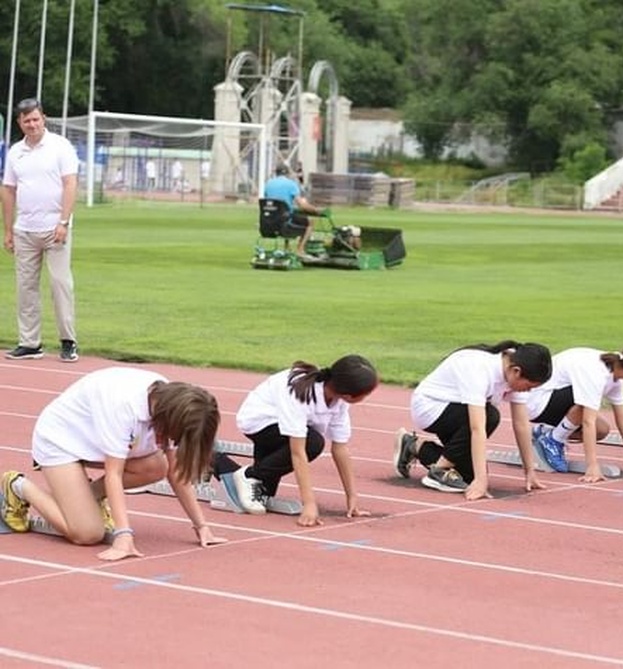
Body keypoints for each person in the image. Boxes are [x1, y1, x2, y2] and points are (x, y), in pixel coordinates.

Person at [0, 367, 225, 560]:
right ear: (167, 419)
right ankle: (18, 486)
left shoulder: (174, 405)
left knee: (158, 466)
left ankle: (87, 499)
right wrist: (123, 535)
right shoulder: (123, 407)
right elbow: (114, 474)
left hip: (96, 441)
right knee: (87, 534)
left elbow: (175, 472)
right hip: (61, 442)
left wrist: (202, 526)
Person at [212, 355, 378, 526]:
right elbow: (298, 452)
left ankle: (211, 459)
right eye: (366, 394)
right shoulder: (300, 394)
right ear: (349, 395)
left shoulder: (340, 401)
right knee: (313, 443)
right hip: (259, 422)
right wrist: (309, 504)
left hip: (286, 426)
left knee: (265, 492)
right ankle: (248, 475)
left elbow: (340, 448)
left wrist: (352, 497)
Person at [393, 341, 553, 500]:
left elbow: (521, 424)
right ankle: (439, 470)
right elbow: (477, 427)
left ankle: (413, 445)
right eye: (529, 386)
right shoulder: (479, 369)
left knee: (468, 477)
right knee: (491, 416)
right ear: (516, 371)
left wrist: (529, 471)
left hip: (458, 413)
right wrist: (481, 481)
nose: (528, 391)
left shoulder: (513, 369)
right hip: (431, 409)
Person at [2, 98, 80, 363]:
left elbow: (70, 184)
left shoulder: (60, 146)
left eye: (35, 119)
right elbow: (8, 190)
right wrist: (8, 230)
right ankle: (30, 342)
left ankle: (68, 341)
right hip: (25, 229)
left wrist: (64, 222)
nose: (32, 124)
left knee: (60, 284)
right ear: (19, 123)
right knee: (26, 288)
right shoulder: (15, 152)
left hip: (55, 228)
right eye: (27, 121)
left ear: (43, 118)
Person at [529, 345, 623, 481]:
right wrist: (592, 466)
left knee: (601, 430)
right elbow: (587, 421)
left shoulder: (616, 373)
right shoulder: (596, 374)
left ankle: (546, 432)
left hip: (553, 399)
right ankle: (553, 440)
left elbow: (622, 419)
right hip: (537, 401)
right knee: (585, 404)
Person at [263, 164, 324, 257]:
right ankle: (300, 250)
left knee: (286, 215)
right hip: (284, 221)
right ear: (287, 174)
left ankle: (286, 247)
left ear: (276, 173)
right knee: (310, 222)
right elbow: (302, 205)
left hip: (269, 221)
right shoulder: (291, 184)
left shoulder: (268, 184)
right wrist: (315, 210)